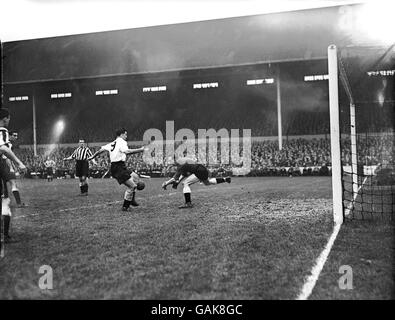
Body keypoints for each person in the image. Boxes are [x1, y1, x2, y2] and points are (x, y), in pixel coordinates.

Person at [88, 128, 146, 211]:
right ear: (121, 134)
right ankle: (125, 206)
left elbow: (101, 150)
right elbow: (127, 151)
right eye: (125, 134)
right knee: (132, 186)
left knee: (135, 177)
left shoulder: (113, 142)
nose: (126, 136)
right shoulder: (122, 142)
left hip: (120, 166)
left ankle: (132, 200)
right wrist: (140, 150)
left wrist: (92, 157)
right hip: (118, 167)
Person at [0, 108, 27, 246]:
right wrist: (19, 163)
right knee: (4, 201)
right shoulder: (3, 131)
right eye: (9, 118)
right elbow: (4, 150)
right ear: (5, 118)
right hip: (3, 167)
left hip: (4, 167)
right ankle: (4, 236)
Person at [161, 157, 231, 209]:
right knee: (207, 182)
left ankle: (188, 203)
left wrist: (166, 183)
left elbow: (175, 178)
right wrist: (177, 182)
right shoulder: (183, 160)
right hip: (202, 169)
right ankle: (225, 179)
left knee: (186, 183)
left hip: (198, 171)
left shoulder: (180, 165)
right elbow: (183, 175)